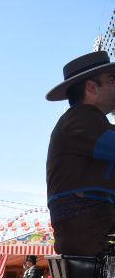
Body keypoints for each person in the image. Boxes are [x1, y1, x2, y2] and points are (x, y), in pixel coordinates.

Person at [46, 50, 115, 255]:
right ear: (92, 88)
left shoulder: (83, 121)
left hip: (91, 229)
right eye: (112, 80)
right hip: (92, 232)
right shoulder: (81, 119)